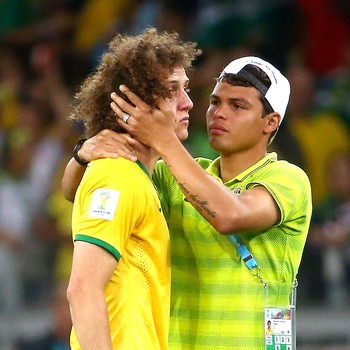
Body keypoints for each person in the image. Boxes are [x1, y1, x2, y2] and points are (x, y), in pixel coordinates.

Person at [63, 56, 312, 349]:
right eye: (215, 101)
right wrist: (84, 152)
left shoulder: (288, 179)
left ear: (270, 122)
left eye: (238, 106)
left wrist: (164, 139)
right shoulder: (176, 176)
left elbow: (230, 215)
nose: (219, 113)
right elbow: (82, 189)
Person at [64, 27, 200, 350]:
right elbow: (82, 289)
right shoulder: (117, 174)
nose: (188, 103)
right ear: (133, 102)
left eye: (186, 88)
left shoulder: (139, 176)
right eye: (172, 90)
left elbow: (70, 190)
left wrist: (79, 154)